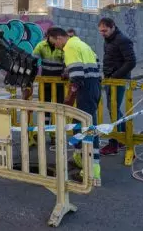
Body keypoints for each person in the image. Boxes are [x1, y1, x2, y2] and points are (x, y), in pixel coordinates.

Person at [50, 27, 102, 185]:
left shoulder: (70, 47)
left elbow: (77, 77)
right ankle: (80, 158)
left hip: (85, 89)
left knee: (88, 128)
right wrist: (68, 71)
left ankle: (92, 171)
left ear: (59, 38)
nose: (56, 47)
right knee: (81, 125)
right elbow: (96, 64)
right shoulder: (83, 45)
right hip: (94, 87)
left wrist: (69, 98)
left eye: (54, 43)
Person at [98, 17, 136, 156]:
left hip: (118, 81)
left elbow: (131, 62)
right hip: (110, 79)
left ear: (112, 27)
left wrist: (115, 76)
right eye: (101, 31)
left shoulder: (122, 40)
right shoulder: (109, 40)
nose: (102, 33)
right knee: (113, 109)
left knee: (114, 109)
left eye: (105, 30)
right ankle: (123, 137)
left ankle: (115, 142)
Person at [32, 27, 66, 103]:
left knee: (59, 103)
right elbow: (33, 60)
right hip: (45, 78)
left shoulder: (61, 46)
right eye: (51, 36)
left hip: (59, 79)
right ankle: (45, 115)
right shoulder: (41, 45)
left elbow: (66, 62)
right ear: (48, 36)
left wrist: (65, 72)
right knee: (44, 102)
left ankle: (58, 115)